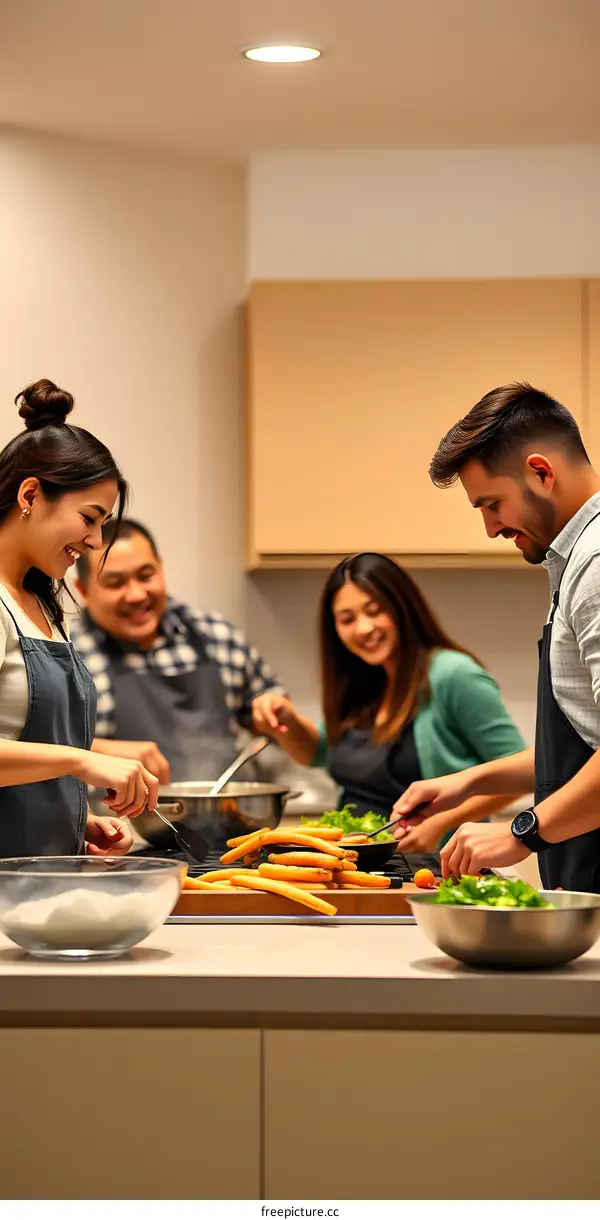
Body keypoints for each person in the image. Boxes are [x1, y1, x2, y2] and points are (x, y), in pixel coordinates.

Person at [392, 382, 600, 891]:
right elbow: (582, 747)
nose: (490, 528)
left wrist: (521, 832)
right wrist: (467, 783)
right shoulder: (576, 560)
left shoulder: (596, 563)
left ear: (541, 472)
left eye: (492, 504)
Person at [251, 552, 525, 850]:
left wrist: (439, 824)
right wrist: (287, 720)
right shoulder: (362, 679)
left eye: (375, 610)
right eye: (347, 619)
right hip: (359, 862)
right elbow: (318, 753)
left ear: (402, 607)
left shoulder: (454, 675)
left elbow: (518, 774)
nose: (363, 628)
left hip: (434, 866)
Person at [0, 378, 160, 857]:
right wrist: (81, 762)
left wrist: (74, 820)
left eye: (102, 524)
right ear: (31, 495)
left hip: (36, 884)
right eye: (89, 518)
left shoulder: (42, 607)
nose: (95, 542)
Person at [72, 519, 284, 792]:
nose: (136, 595)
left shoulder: (215, 636)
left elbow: (278, 725)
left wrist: (273, 710)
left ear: (161, 568)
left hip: (229, 815)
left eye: (146, 576)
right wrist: (100, 751)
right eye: (115, 583)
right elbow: (35, 750)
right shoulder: (68, 659)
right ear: (84, 590)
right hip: (112, 819)